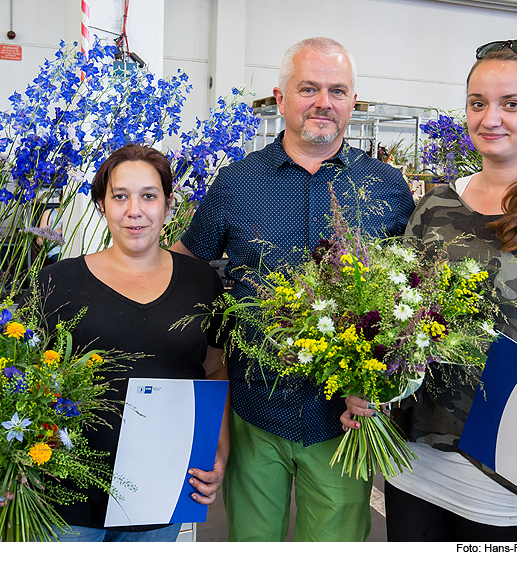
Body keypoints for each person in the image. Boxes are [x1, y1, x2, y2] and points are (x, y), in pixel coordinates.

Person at [342, 38, 517, 541]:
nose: (489, 117)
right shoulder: (434, 207)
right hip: (417, 469)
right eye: (478, 103)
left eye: (511, 104)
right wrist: (370, 388)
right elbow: (398, 319)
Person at [171, 37, 415, 541]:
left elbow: (410, 295)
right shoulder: (237, 183)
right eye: (309, 88)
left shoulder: (388, 188)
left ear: (352, 103)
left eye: (338, 91)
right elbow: (185, 263)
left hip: (344, 420)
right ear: (281, 99)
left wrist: (390, 382)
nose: (324, 102)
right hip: (255, 411)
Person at [35, 144, 230, 542]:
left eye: (149, 196)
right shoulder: (58, 281)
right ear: (102, 205)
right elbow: (22, 376)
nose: (134, 210)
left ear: (168, 203)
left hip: (161, 491)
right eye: (120, 196)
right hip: (66, 496)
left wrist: (219, 451)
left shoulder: (201, 282)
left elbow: (214, 369)